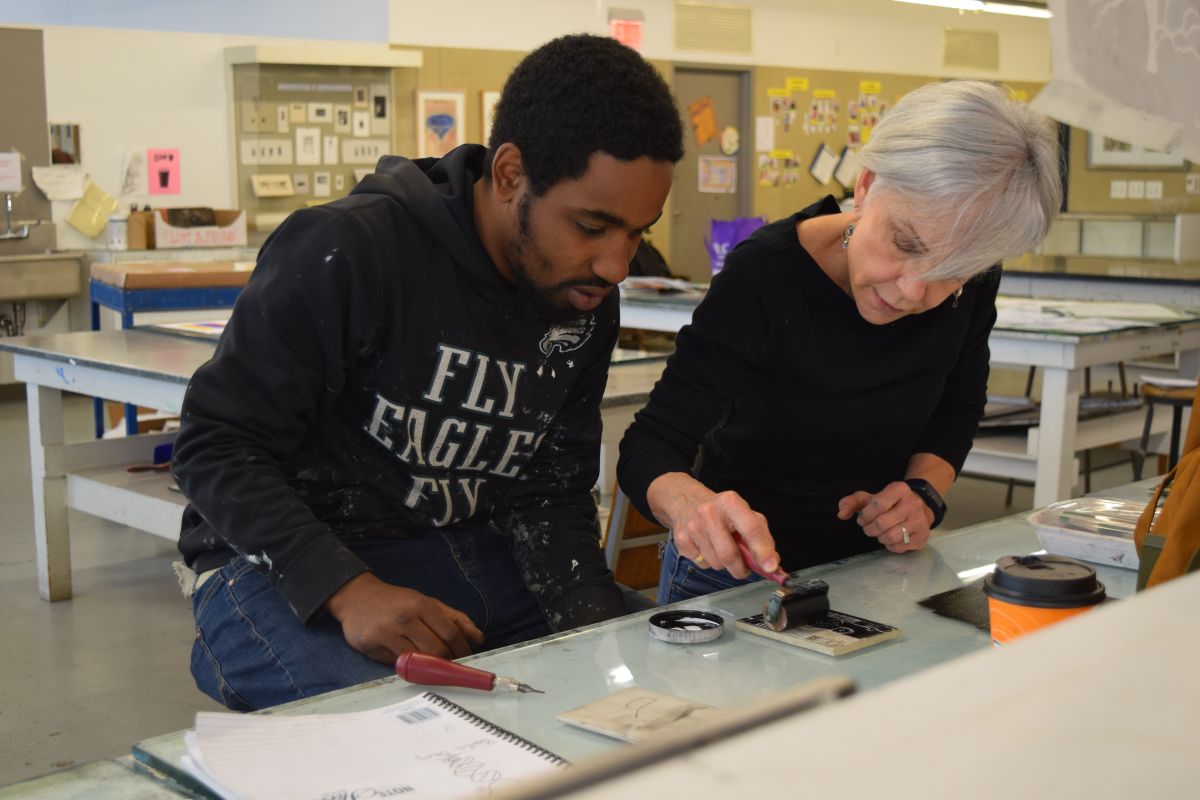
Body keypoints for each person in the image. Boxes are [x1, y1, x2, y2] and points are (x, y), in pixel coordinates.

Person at [172, 34, 684, 711]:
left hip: (469, 556)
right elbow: (215, 446)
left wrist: (598, 643)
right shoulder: (352, 249)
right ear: (509, 175)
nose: (617, 265)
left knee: (662, 678)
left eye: (638, 232)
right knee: (431, 729)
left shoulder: (584, 298)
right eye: (592, 226)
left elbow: (551, 495)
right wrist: (348, 590)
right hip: (278, 566)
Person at [617, 80, 1061, 603]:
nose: (913, 290)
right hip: (736, 573)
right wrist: (694, 507)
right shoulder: (765, 274)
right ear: (868, 186)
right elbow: (648, 447)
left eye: (952, 272)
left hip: (880, 570)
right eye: (904, 243)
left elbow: (957, 409)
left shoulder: (974, 281)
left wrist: (922, 494)